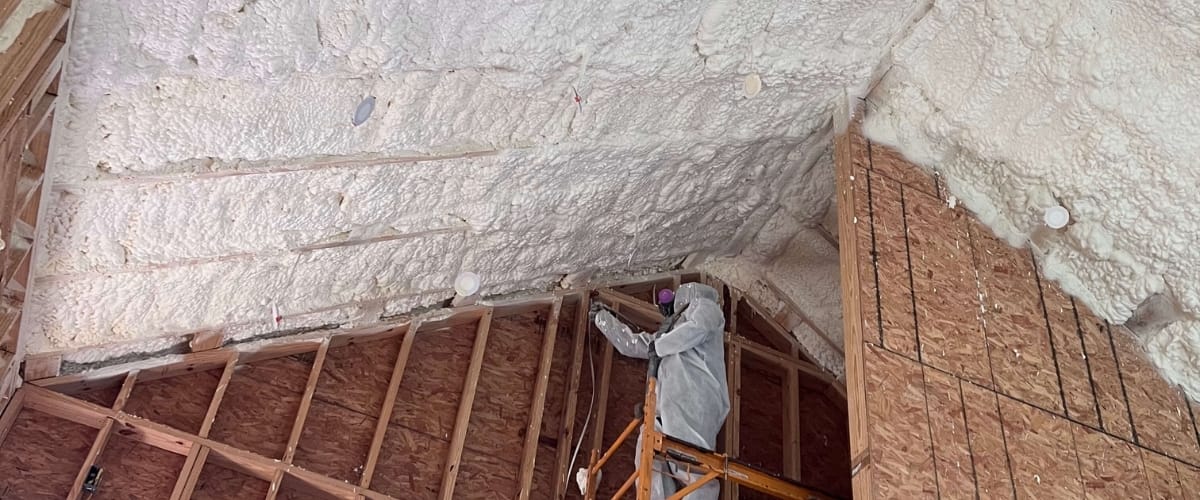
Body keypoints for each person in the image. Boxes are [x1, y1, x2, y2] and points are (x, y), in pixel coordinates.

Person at [590, 283, 730, 499]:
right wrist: (603, 319)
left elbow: (698, 328)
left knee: (695, 472)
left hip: (693, 404)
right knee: (647, 461)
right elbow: (635, 344)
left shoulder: (705, 305)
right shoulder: (669, 337)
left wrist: (658, 346)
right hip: (664, 410)